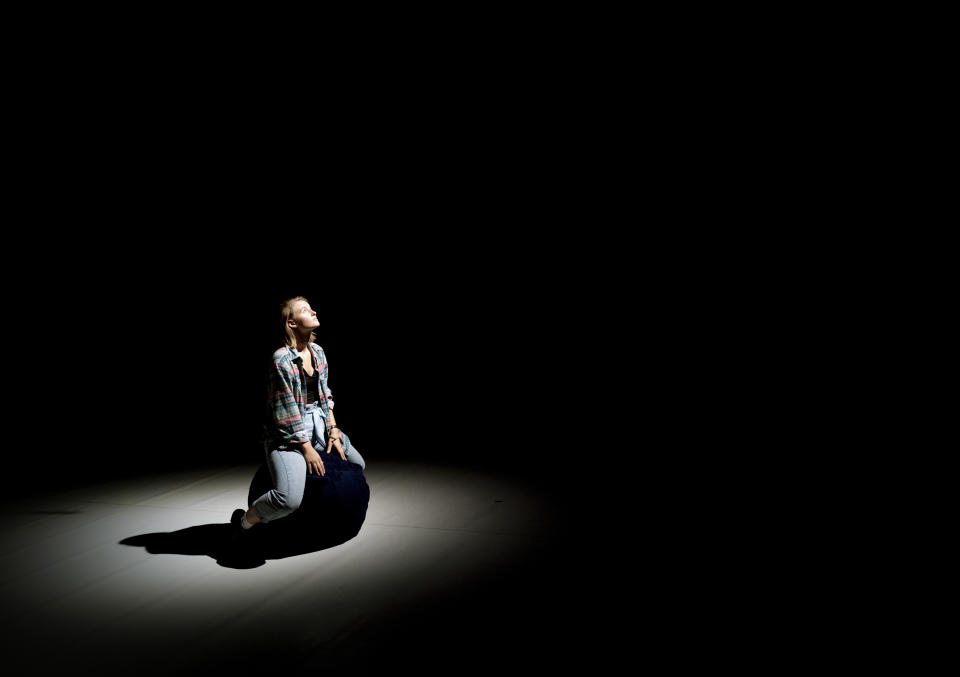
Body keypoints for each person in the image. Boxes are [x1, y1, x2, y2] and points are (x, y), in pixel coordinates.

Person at [230, 295, 366, 533]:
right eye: (305, 310)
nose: (313, 312)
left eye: (312, 308)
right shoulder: (281, 359)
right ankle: (243, 522)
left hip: (320, 422)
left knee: (357, 464)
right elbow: (285, 413)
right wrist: (307, 448)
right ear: (292, 323)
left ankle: (314, 518)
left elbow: (326, 396)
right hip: (287, 435)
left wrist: (333, 430)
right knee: (288, 500)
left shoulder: (319, 352)